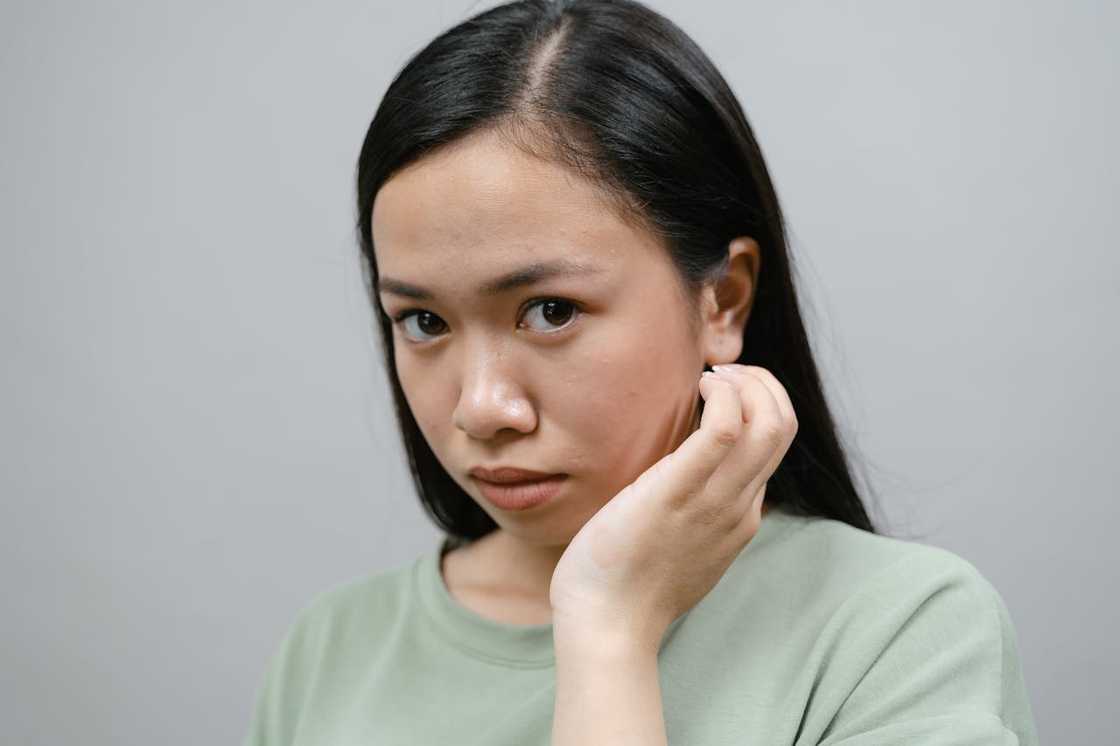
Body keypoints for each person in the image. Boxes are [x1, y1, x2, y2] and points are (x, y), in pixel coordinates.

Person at [243, 1, 1039, 743]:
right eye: (423, 322)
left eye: (550, 310)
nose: (482, 408)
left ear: (722, 301)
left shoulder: (897, 631)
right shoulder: (330, 650)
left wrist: (607, 628)